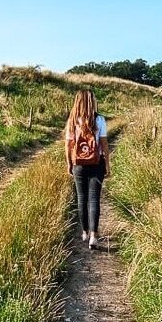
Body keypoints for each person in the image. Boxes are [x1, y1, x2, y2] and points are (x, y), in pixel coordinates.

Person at [64, 89, 109, 249]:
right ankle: (93, 236)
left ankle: (84, 232)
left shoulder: (72, 121)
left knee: (82, 198)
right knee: (94, 199)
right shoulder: (100, 120)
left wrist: (70, 164)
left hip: (78, 165)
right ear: (92, 102)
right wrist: (108, 165)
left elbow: (68, 146)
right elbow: (103, 144)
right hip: (97, 164)